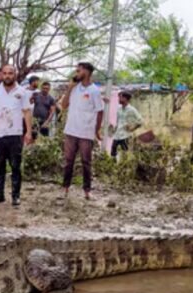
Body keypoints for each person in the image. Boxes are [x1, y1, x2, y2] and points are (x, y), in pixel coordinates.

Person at [0, 65, 33, 206]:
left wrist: (29, 132)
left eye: (10, 73)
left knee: (15, 167)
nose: (7, 76)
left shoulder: (22, 92)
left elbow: (27, 112)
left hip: (15, 135)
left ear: (15, 74)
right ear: (1, 75)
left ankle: (15, 196)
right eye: (4, 73)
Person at [59, 62, 103, 200]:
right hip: (71, 131)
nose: (76, 73)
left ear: (87, 72)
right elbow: (64, 105)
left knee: (86, 162)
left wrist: (96, 131)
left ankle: (87, 190)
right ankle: (65, 188)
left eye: (79, 71)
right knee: (68, 161)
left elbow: (100, 111)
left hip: (86, 133)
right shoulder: (74, 88)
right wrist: (69, 88)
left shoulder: (94, 91)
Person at [111, 91, 143, 159]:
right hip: (117, 134)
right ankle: (113, 167)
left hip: (126, 135)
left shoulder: (132, 109)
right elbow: (118, 120)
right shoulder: (119, 108)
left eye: (120, 97)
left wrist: (133, 128)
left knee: (125, 153)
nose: (118, 99)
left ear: (125, 98)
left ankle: (126, 167)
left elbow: (141, 121)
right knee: (113, 152)